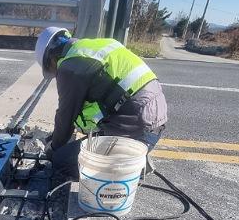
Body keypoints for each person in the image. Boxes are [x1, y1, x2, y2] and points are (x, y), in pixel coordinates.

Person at [35, 27, 167, 180]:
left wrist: (54, 149)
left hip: (137, 130)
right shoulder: (97, 46)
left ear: (51, 58)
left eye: (51, 69)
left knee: (62, 160)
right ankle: (132, 159)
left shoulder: (69, 66)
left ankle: (128, 167)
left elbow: (65, 116)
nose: (55, 73)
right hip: (155, 124)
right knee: (86, 143)